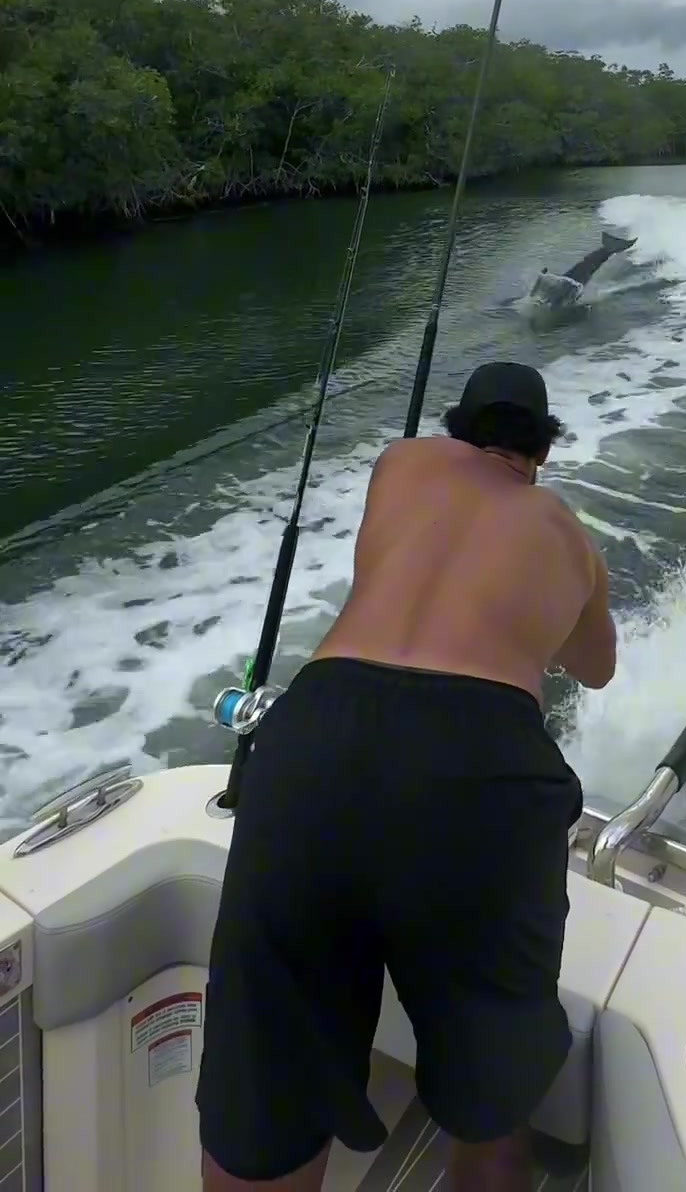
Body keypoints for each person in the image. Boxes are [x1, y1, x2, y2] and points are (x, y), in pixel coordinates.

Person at [197, 360, 617, 1192]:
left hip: (315, 735)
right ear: (541, 453)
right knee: (492, 1099)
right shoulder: (568, 535)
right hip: (479, 763)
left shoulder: (401, 464)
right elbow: (596, 668)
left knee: (267, 1088)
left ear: (458, 430)